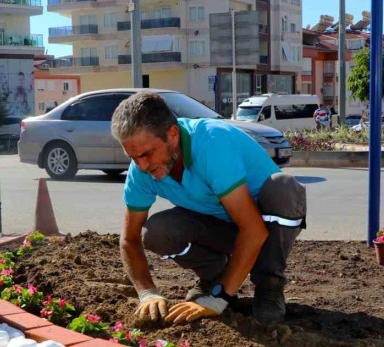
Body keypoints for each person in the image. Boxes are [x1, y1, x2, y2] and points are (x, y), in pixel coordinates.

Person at [112, 92, 306, 324]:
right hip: (227, 229)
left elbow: (254, 230)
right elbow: (129, 238)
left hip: (265, 225)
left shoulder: (212, 144)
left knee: (283, 187)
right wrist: (147, 293)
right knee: (157, 232)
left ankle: (269, 285)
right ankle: (213, 277)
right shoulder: (141, 169)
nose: (141, 166)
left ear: (172, 134)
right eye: (133, 157)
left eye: (147, 154)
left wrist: (219, 299)